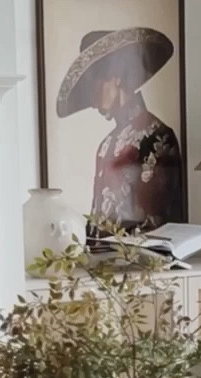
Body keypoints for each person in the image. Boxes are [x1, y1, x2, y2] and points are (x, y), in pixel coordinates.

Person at [55, 25, 184, 230]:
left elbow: (162, 220)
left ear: (115, 77)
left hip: (147, 259)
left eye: (93, 86)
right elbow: (97, 220)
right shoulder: (105, 145)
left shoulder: (159, 136)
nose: (92, 100)